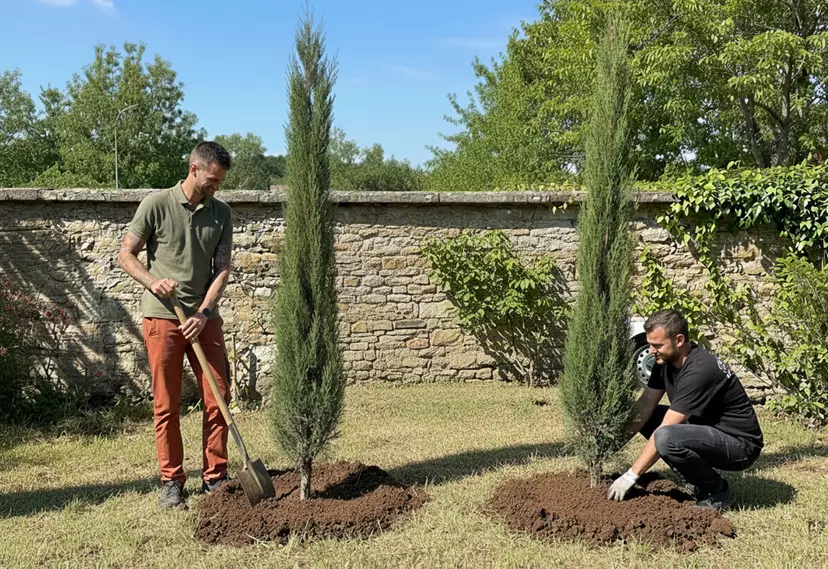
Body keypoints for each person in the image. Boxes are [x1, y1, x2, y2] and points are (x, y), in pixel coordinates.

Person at [117, 141, 234, 509]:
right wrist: (153, 281)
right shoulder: (156, 204)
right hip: (162, 317)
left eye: (221, 182)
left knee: (219, 396)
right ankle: (172, 481)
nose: (216, 186)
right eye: (212, 179)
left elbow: (223, 269)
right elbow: (126, 255)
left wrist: (204, 312)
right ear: (194, 168)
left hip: (204, 319)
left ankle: (215, 477)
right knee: (166, 405)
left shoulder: (222, 213)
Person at [607, 309, 764, 511]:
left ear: (679, 340)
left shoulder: (700, 370)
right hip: (706, 430)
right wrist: (610, 447)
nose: (651, 351)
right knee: (651, 418)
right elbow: (644, 406)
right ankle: (693, 474)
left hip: (740, 445)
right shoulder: (665, 362)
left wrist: (631, 476)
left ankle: (717, 492)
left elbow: (668, 428)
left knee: (665, 437)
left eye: (657, 345)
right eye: (650, 345)